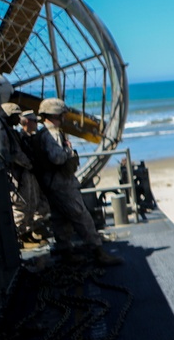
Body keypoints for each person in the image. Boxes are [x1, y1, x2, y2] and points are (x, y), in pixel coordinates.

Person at [35, 98, 123, 266]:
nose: (64, 118)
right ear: (56, 114)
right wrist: (68, 150)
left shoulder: (42, 133)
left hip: (51, 184)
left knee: (60, 220)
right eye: (62, 115)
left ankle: (66, 253)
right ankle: (98, 252)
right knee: (82, 217)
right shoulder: (52, 133)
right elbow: (57, 158)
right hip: (62, 183)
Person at [0, 103, 46, 245]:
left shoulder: (11, 132)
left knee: (30, 204)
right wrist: (29, 164)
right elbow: (14, 154)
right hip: (16, 175)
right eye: (15, 116)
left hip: (23, 173)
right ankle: (17, 238)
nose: (18, 119)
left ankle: (26, 233)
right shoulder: (4, 133)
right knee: (20, 207)